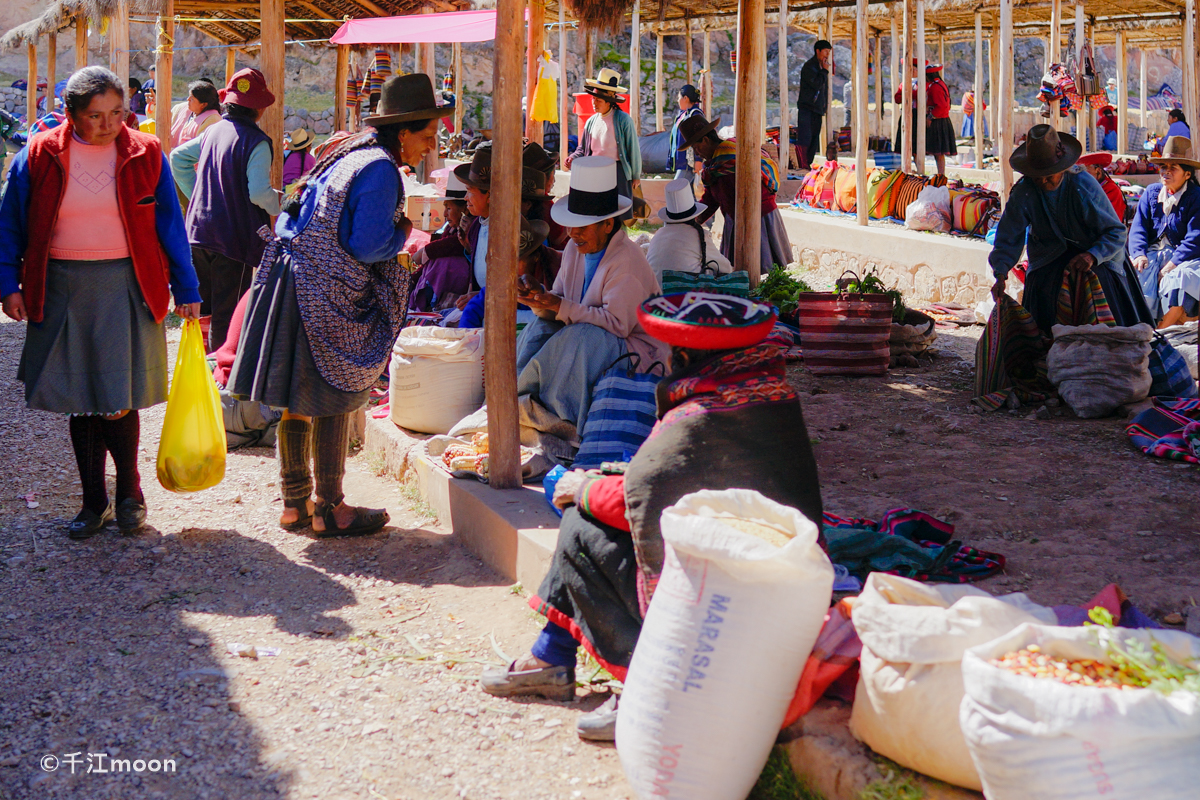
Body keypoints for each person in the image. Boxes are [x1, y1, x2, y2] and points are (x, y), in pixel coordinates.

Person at [480, 291, 824, 741]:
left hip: (726, 596)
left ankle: (645, 683)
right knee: (586, 507)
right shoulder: (769, 395)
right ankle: (551, 658)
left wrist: (582, 489)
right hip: (774, 581)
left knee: (582, 522)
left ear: (684, 354)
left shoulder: (702, 415)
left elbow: (644, 502)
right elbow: (670, 482)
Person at [228, 74, 449, 536]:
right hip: (322, 294)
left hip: (290, 280)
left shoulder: (347, 153)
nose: (431, 146)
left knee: (296, 402)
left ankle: (294, 505)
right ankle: (330, 507)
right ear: (403, 132)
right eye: (427, 136)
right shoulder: (381, 170)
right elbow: (367, 246)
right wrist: (404, 232)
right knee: (332, 398)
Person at [0, 66, 201, 538]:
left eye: (118, 112)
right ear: (70, 115)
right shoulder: (39, 154)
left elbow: (170, 226)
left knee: (117, 398)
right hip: (60, 284)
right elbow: (9, 224)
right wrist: (9, 284)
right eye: (97, 115)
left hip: (126, 284)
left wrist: (188, 288)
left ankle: (130, 491)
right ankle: (94, 502)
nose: (111, 123)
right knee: (80, 401)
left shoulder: (146, 152)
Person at [513, 156, 666, 432]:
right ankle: (518, 398)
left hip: (638, 352)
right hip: (595, 339)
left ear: (608, 225)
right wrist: (537, 299)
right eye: (571, 225)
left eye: (581, 227)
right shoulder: (574, 249)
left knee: (582, 337)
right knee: (539, 326)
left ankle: (564, 420)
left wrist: (560, 306)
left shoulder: (626, 260)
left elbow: (617, 325)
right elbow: (559, 303)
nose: (572, 234)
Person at [989, 124, 1153, 336]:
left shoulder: (1082, 184)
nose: (1044, 181)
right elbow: (1008, 236)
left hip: (1099, 255)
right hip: (1048, 258)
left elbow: (1116, 233)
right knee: (1043, 306)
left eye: (1050, 175)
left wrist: (1093, 256)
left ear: (1063, 168)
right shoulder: (1024, 191)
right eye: (1038, 176)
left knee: (1107, 313)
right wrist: (1000, 273)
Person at [171, 68, 281, 353]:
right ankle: (221, 375)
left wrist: (198, 192)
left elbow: (178, 157)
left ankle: (199, 365)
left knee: (203, 308)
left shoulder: (213, 131)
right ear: (259, 109)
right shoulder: (257, 141)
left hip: (198, 231)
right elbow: (257, 193)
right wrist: (279, 203)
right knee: (228, 313)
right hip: (234, 238)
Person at [679, 114, 792, 272]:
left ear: (705, 140)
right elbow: (711, 199)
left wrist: (744, 224)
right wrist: (693, 220)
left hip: (758, 216)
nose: (697, 153)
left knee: (758, 267)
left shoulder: (731, 158)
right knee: (742, 270)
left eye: (696, 148)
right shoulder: (715, 166)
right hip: (735, 219)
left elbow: (748, 191)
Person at [1128, 136, 1200, 326]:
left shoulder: (1196, 197)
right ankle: (1141, 326)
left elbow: (1195, 237)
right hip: (1153, 252)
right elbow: (1139, 228)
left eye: (1173, 168)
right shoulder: (1151, 192)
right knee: (1137, 272)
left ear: (1187, 175)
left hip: (1187, 256)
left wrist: (1172, 264)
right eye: (1163, 167)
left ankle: (1162, 330)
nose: (1166, 172)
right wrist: (1138, 254)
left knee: (1177, 280)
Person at [567, 69, 641, 223]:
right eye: (593, 99)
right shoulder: (591, 122)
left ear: (609, 100)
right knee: (597, 212)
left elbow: (633, 149)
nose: (594, 103)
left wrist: (635, 176)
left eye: (598, 100)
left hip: (617, 172)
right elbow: (582, 149)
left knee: (618, 214)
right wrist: (573, 157)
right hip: (594, 172)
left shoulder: (623, 120)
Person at [459, 216, 560, 328]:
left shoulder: (554, 282)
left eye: (517, 261)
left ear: (535, 257)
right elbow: (471, 313)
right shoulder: (494, 290)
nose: (510, 268)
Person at [645, 177, 732, 281]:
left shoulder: (658, 235)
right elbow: (726, 268)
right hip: (684, 296)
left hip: (655, 295)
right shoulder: (699, 236)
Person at [409, 170, 472, 312]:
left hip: (465, 285)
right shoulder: (449, 230)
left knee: (443, 263)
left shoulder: (471, 229)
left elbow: (454, 244)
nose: (444, 214)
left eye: (449, 208)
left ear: (465, 210)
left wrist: (426, 251)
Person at [523, 141, 569, 249]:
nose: (554, 181)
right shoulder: (546, 206)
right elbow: (556, 241)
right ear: (544, 178)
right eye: (553, 174)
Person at [796, 39, 832, 169]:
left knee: (814, 140)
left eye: (829, 52)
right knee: (805, 138)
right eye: (825, 51)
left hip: (817, 109)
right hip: (807, 108)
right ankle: (801, 164)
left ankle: (807, 165)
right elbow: (816, 84)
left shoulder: (822, 67)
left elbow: (824, 90)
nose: (827, 55)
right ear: (818, 51)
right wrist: (824, 71)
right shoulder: (809, 66)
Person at [923, 64, 956, 177]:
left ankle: (941, 174)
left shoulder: (935, 87)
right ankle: (941, 174)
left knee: (938, 152)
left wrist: (930, 117)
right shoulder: (940, 84)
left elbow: (941, 106)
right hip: (942, 119)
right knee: (939, 152)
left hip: (937, 121)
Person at [170, 80, 221, 148]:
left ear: (203, 104)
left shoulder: (213, 120)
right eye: (189, 96)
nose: (188, 99)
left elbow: (200, 148)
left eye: (192, 98)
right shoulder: (182, 109)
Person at [667, 84, 704, 180]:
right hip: (682, 163)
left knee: (675, 189)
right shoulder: (683, 115)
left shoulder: (695, 115)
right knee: (687, 192)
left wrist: (698, 160)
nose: (678, 101)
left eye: (679, 97)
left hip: (688, 163)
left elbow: (699, 138)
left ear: (685, 98)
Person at [1077, 152, 1126, 222]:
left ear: (1098, 171)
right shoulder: (1083, 187)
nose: (1082, 177)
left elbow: (1107, 221)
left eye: (1086, 173)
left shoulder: (1111, 190)